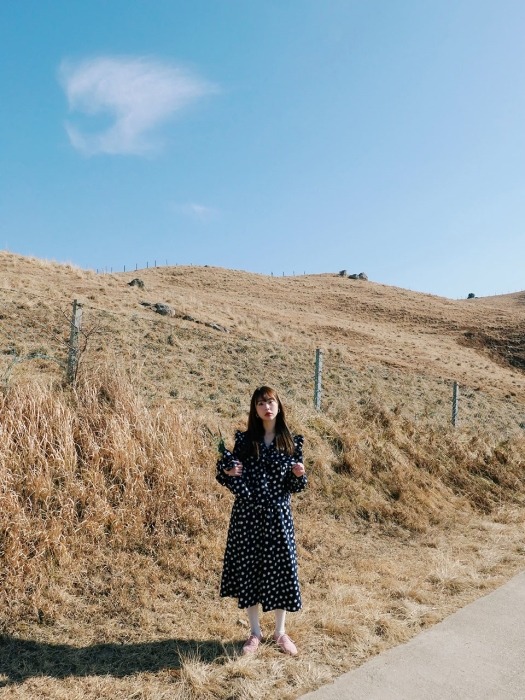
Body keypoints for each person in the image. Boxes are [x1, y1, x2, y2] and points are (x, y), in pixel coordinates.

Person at [216, 385, 307, 656]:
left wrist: (299, 474)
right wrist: (228, 469)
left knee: (280, 570)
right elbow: (224, 474)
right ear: (254, 410)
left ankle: (280, 632)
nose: (266, 407)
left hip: (278, 516)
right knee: (250, 571)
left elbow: (296, 485)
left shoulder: (291, 442)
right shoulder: (245, 442)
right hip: (248, 516)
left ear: (278, 405)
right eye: (260, 403)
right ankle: (255, 633)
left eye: (270, 401)